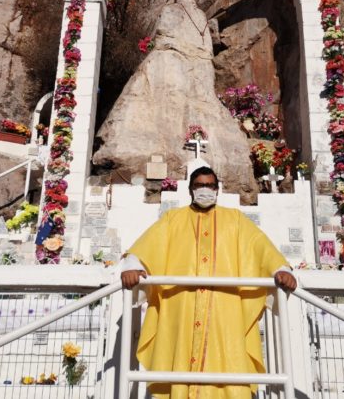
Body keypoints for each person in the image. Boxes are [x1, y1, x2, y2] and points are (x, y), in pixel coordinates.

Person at [121, 166, 297, 399]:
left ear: (217, 189)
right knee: (179, 366)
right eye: (199, 185)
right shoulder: (174, 219)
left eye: (210, 186)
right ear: (190, 189)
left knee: (227, 364)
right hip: (181, 309)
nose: (205, 190)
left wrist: (281, 269)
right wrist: (134, 266)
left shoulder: (234, 220)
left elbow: (259, 247)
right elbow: (148, 246)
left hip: (223, 312)